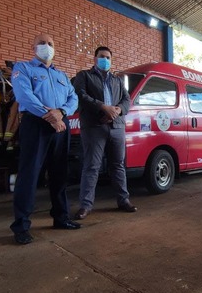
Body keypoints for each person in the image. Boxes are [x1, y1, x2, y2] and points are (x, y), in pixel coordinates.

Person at [9, 33, 80, 245]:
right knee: (29, 175)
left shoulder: (62, 75)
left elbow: (73, 98)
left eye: (50, 43)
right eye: (42, 43)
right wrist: (49, 115)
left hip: (61, 124)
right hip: (36, 124)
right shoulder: (22, 68)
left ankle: (61, 218)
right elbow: (24, 96)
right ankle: (21, 226)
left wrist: (62, 112)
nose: (46, 46)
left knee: (59, 173)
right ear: (33, 48)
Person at [73, 46, 136, 220]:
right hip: (94, 127)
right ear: (95, 59)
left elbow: (126, 99)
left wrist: (117, 110)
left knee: (118, 165)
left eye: (108, 57)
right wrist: (102, 108)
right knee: (92, 166)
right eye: (102, 57)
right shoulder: (84, 76)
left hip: (116, 127)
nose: (105, 60)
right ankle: (85, 206)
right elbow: (80, 95)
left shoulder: (117, 80)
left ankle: (123, 200)